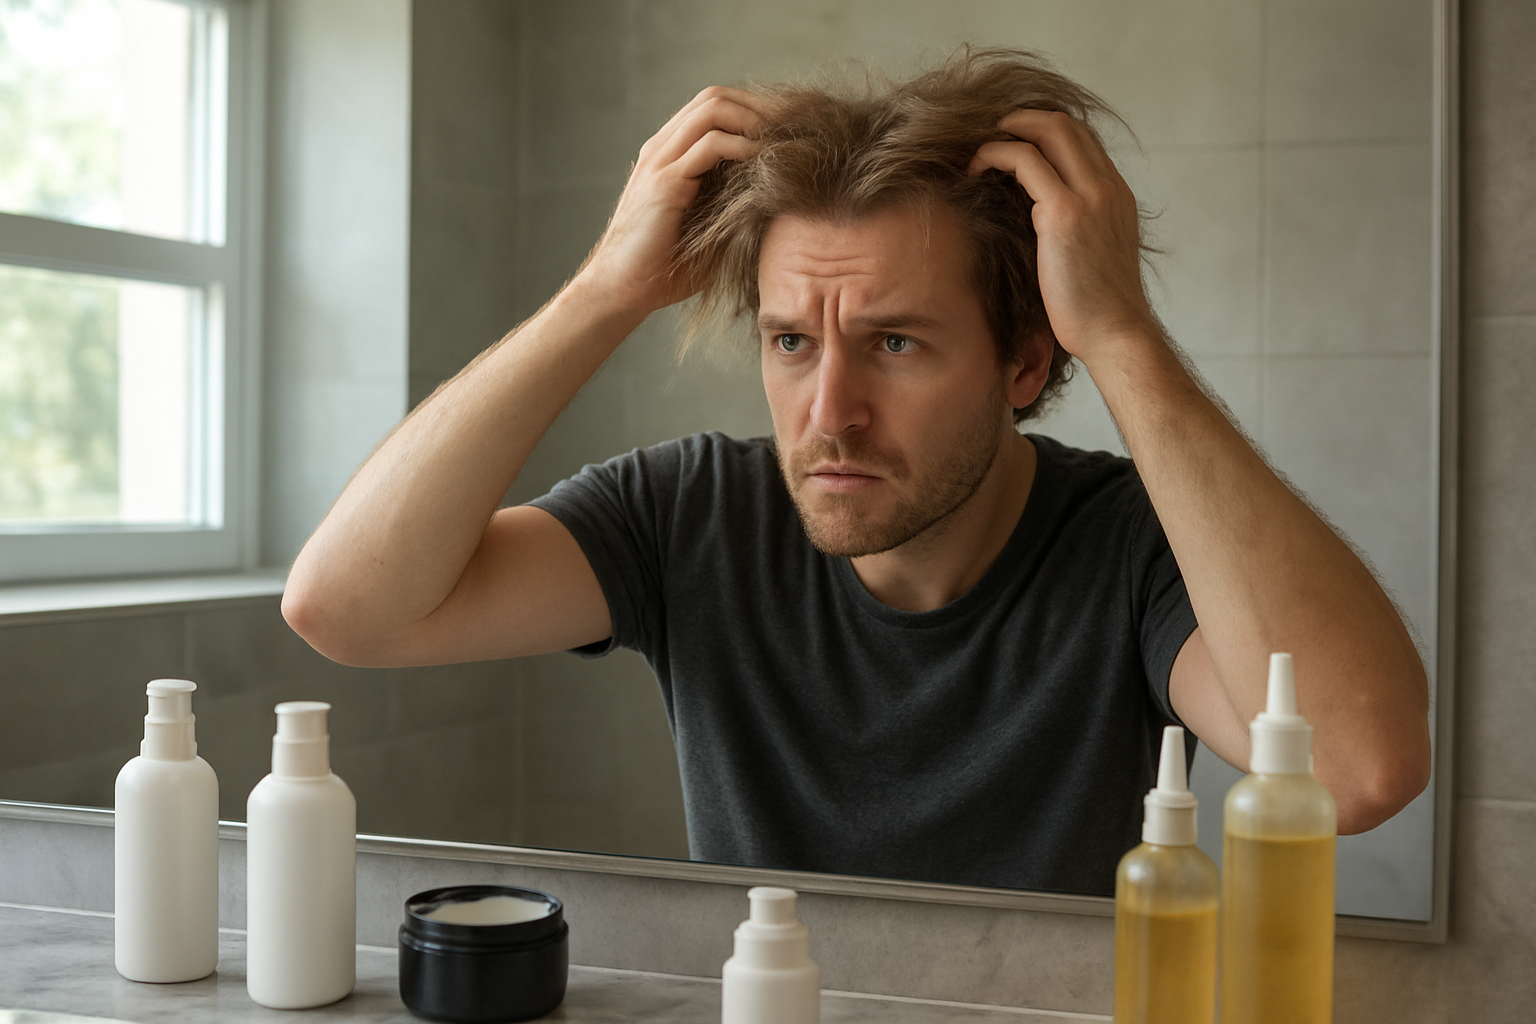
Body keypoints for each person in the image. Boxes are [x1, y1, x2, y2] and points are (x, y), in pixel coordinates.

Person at [282, 48, 1431, 894]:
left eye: (895, 343)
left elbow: (1362, 767)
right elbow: (345, 607)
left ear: (1024, 360)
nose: (828, 412)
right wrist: (605, 291)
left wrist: (1123, 333)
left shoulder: (1128, 544)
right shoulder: (696, 514)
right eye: (791, 341)